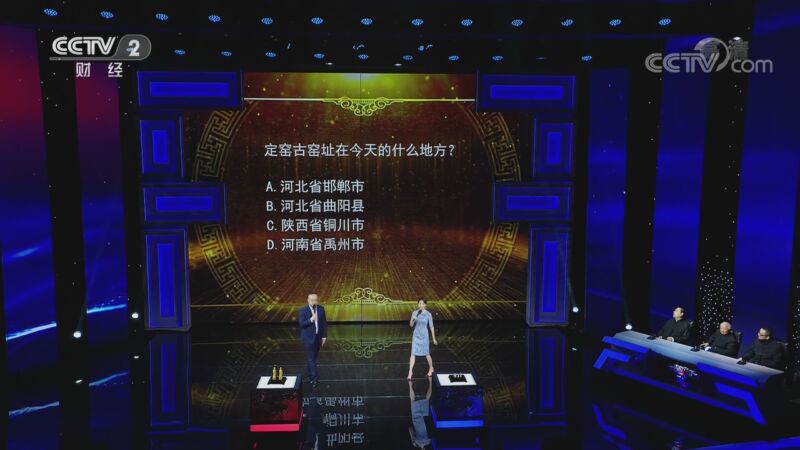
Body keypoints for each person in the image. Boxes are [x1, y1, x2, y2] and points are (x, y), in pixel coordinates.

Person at [298, 293, 327, 386]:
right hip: (308, 338)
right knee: (311, 358)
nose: (314, 302)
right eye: (312, 300)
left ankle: (308, 374)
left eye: (315, 300)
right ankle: (314, 378)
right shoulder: (303, 310)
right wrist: (311, 319)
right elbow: (301, 324)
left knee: (313, 358)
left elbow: (324, 323)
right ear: (308, 300)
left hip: (318, 337)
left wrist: (324, 336)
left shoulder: (321, 309)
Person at [407, 298, 437, 380]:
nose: (421, 305)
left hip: (424, 336)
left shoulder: (428, 314)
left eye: (422, 303)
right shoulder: (415, 313)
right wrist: (413, 319)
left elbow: (431, 326)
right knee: (413, 354)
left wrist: (434, 338)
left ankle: (431, 368)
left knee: (427, 354)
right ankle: (410, 371)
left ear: (425, 305)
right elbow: (411, 325)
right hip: (416, 336)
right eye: (419, 303)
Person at [408, 378, 432, 449]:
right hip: (420, 419)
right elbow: (410, 429)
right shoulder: (426, 442)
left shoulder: (427, 442)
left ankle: (430, 381)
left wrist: (412, 439)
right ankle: (410, 384)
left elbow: (410, 429)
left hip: (420, 419)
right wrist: (413, 440)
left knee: (425, 399)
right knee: (422, 400)